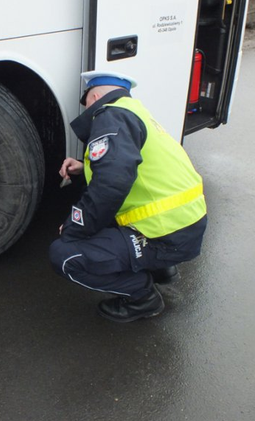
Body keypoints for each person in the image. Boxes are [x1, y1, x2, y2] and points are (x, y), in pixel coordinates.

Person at [49, 70, 208, 323]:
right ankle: (161, 268)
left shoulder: (109, 115)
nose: (87, 109)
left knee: (65, 255)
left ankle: (142, 297)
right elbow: (132, 168)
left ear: (96, 96)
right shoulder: (134, 112)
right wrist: (84, 167)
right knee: (105, 215)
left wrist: (73, 228)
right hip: (185, 223)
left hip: (167, 234)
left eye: (86, 102)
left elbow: (111, 185)